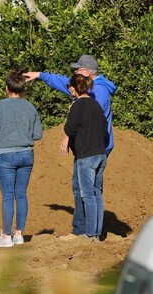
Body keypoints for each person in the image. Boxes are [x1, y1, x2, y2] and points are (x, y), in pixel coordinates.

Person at [23, 55, 116, 238]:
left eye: (78, 69)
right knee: (86, 190)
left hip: (92, 148)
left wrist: (68, 136)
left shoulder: (99, 92)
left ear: (88, 72)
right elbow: (63, 81)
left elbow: (90, 121)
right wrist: (40, 75)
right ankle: (87, 230)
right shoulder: (87, 88)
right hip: (91, 148)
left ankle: (86, 232)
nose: (75, 72)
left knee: (87, 192)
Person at [0, 69, 43, 247]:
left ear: (6, 88)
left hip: (6, 156)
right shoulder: (30, 107)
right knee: (21, 194)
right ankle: (19, 235)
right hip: (26, 154)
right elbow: (38, 134)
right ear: (23, 88)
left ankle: (6, 237)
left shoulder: (0, 106)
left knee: (8, 196)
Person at [64, 74, 108, 240]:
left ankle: (89, 233)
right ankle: (96, 233)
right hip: (100, 154)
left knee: (87, 195)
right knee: (97, 194)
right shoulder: (96, 105)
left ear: (74, 88)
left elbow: (69, 130)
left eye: (70, 88)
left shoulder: (76, 106)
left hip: (86, 156)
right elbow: (105, 128)